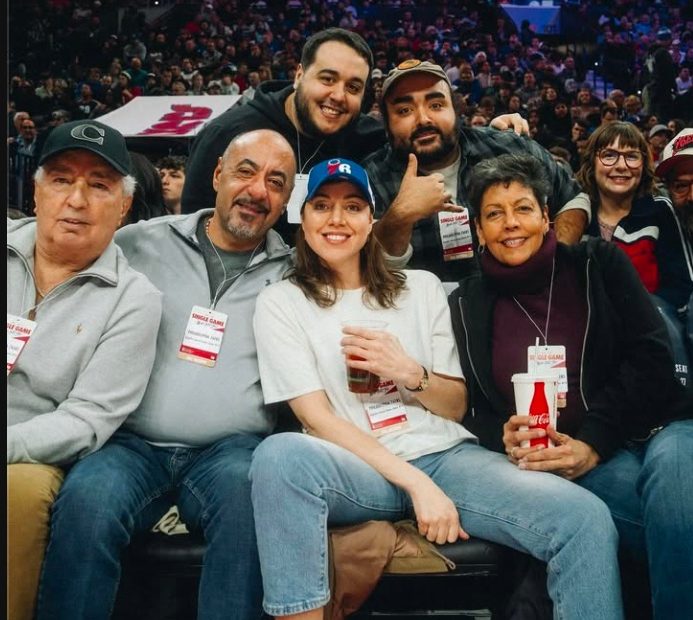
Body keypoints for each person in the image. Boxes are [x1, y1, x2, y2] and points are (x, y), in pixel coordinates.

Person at [249, 157, 624, 619]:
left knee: (583, 519)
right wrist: (416, 485)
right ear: (302, 220)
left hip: (444, 456)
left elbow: (454, 405)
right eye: (321, 206)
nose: (336, 220)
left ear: (372, 220)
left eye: (352, 207)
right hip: (356, 466)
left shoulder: (421, 287)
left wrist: (410, 372)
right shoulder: (280, 300)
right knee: (279, 456)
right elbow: (316, 419)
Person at [36, 129, 297, 620]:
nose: (258, 190)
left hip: (231, 449)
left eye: (276, 182)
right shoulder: (138, 242)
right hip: (129, 442)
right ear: (217, 174)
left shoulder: (296, 271)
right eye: (245, 171)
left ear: (285, 201)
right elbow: (56, 239)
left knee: (251, 497)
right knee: (87, 501)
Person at [448, 153, 693, 618]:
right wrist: (500, 432)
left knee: (679, 485)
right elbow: (472, 406)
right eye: (494, 214)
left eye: (522, 208)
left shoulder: (597, 263)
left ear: (546, 216)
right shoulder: (468, 302)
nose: (510, 224)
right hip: (563, 457)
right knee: (676, 521)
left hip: (655, 428)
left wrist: (594, 441)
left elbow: (653, 360)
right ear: (478, 229)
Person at [8, 120, 162, 620]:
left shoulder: (135, 299)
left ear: (123, 207)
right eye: (61, 179)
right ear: (36, 193)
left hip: (32, 456)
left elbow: (86, 420)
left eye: (99, 185)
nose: (77, 199)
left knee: (19, 493)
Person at [362, 60, 587, 292]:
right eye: (404, 111)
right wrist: (399, 217)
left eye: (436, 105)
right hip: (421, 317)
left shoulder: (506, 146)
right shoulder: (370, 178)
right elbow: (361, 266)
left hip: (516, 307)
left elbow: (573, 198)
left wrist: (554, 262)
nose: (424, 119)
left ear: (456, 110)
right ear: (386, 124)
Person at [575, 122, 692, 386]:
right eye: (609, 155)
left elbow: (681, 286)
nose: (621, 165)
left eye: (631, 156)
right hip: (588, 351)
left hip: (651, 345)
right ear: (591, 162)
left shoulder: (660, 210)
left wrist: (636, 316)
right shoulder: (576, 216)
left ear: (644, 164)